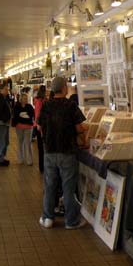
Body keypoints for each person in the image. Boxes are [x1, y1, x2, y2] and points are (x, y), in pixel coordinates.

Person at [37, 76, 87, 230]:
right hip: (67, 152)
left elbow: (39, 127)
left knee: (50, 186)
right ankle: (71, 221)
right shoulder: (70, 105)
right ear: (64, 88)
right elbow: (79, 128)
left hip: (50, 152)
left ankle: (47, 218)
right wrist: (84, 132)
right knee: (68, 188)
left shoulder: (46, 106)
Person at [12, 93, 35, 166]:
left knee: (28, 143)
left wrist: (22, 116)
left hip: (28, 127)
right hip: (19, 127)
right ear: (21, 99)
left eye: (27, 98)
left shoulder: (30, 107)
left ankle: (29, 160)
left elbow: (31, 115)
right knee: (20, 142)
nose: (26, 100)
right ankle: (20, 159)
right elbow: (16, 116)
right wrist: (25, 116)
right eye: (25, 98)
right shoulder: (17, 106)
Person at [33, 85, 47, 173]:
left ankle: (42, 167)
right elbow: (39, 115)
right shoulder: (41, 101)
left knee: (41, 148)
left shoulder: (37, 100)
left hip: (38, 126)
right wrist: (40, 126)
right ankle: (42, 167)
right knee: (43, 148)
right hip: (41, 127)